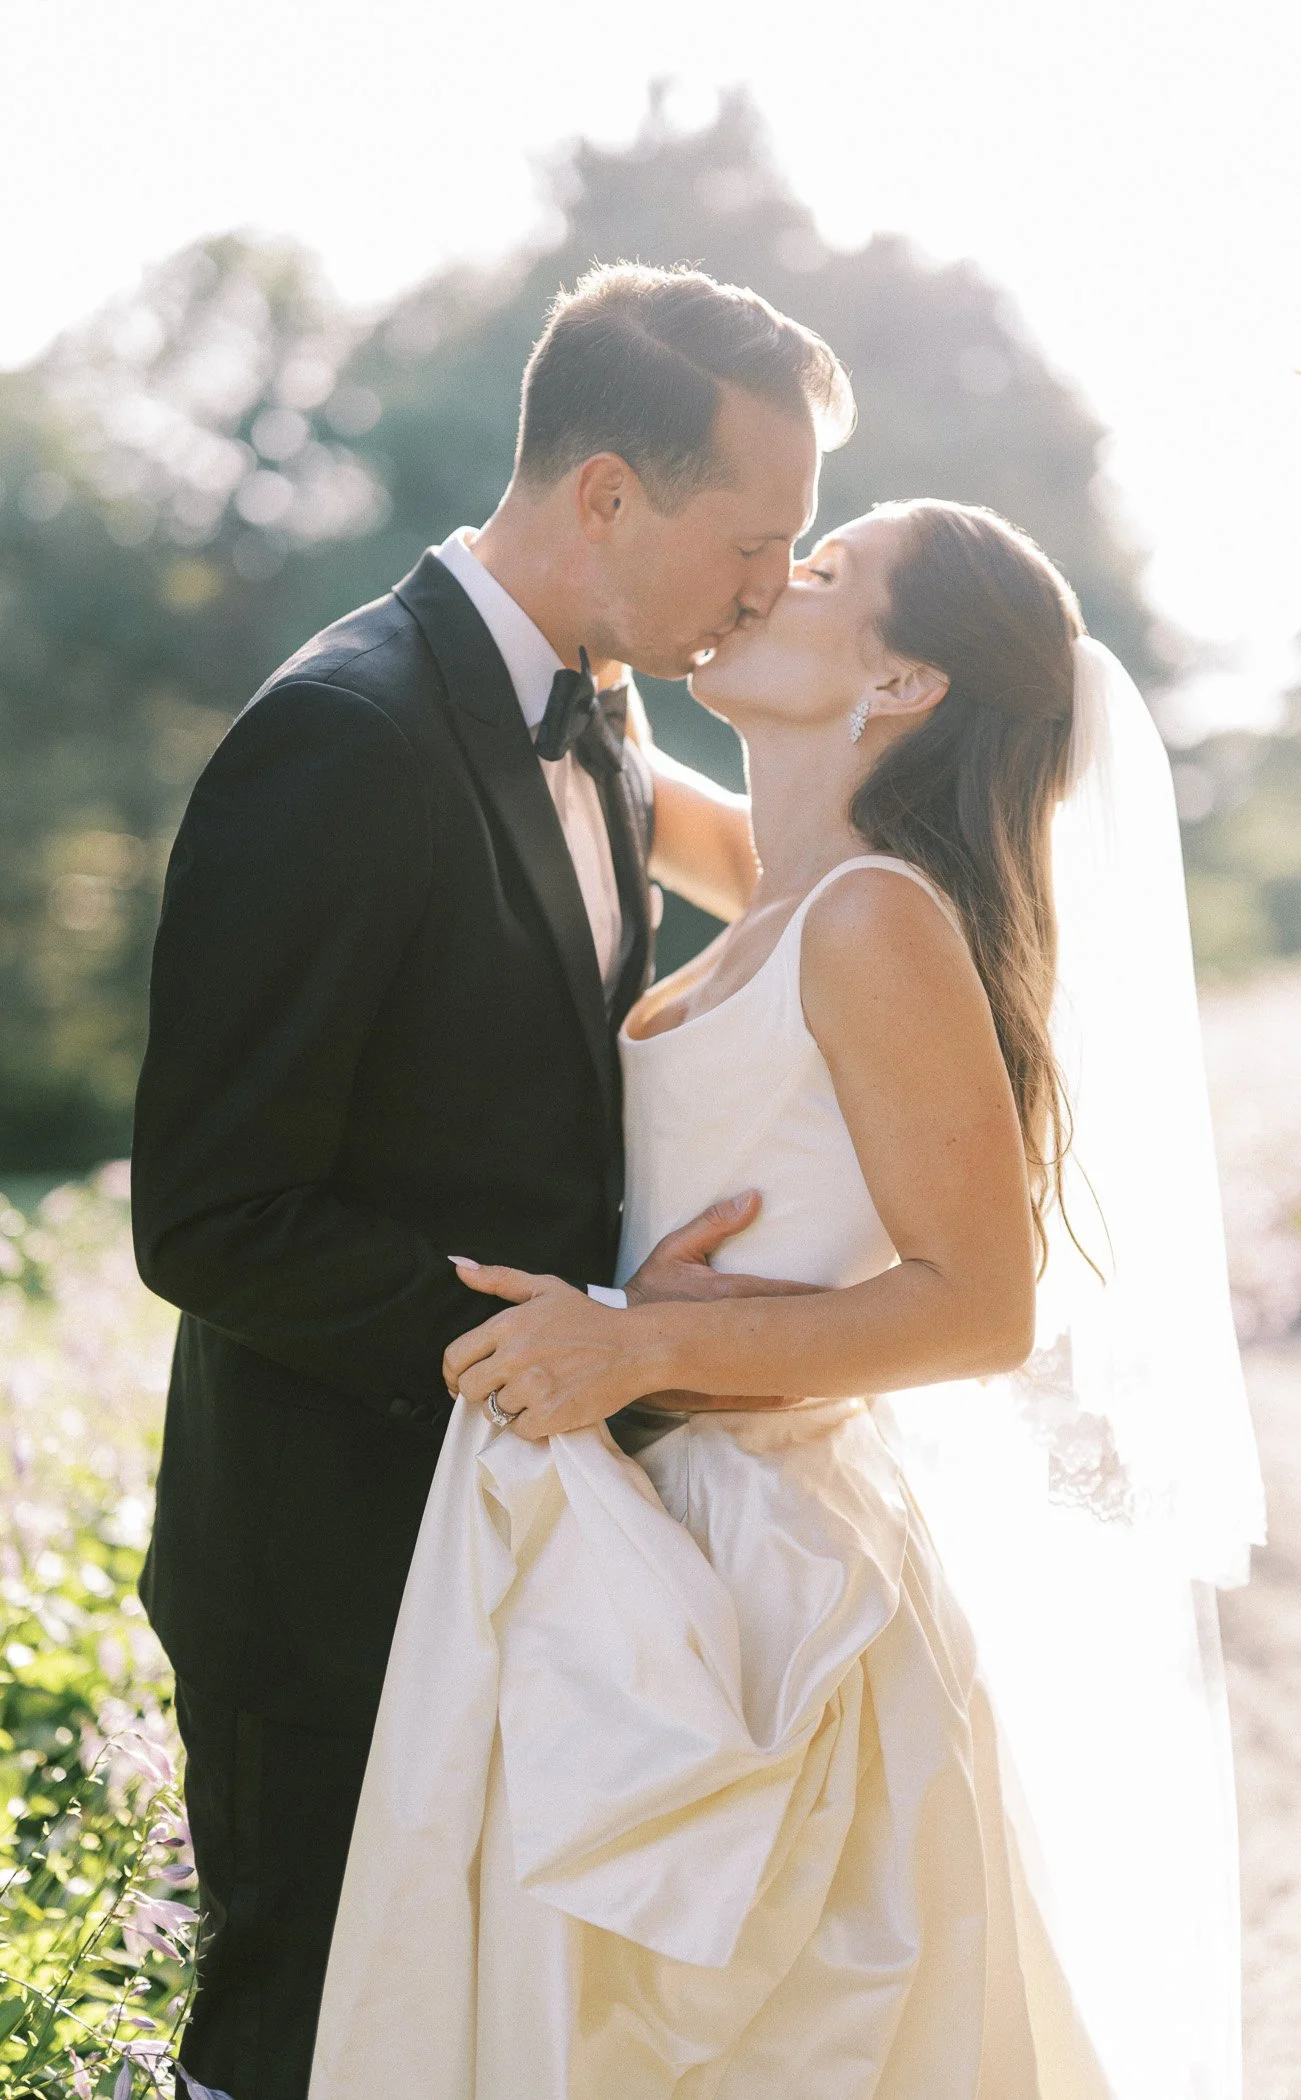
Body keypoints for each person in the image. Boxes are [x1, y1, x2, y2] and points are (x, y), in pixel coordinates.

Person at [312, 501, 1265, 2098]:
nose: (769, 578)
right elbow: (599, 751)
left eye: (820, 571)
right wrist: (581, 587)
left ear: (899, 686)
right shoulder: (783, 887)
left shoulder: (875, 919)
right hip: (653, 1533)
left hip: (782, 1581)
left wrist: (637, 1341)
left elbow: (978, 1310)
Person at [130, 262, 857, 2100]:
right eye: (755, 541)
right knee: (294, 2052)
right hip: (329, 1563)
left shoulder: (602, 706)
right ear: (607, 494)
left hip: (526, 1545)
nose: (774, 586)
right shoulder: (343, 738)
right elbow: (208, 1215)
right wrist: (569, 1343)